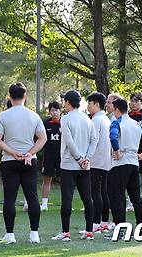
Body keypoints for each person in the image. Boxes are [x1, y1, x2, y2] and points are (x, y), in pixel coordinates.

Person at [0, 82, 46, 244]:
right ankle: (34, 234)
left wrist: (12, 152)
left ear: (10, 96)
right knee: (32, 197)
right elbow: (43, 138)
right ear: (25, 96)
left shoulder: (3, 115)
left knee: (9, 198)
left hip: (10, 161)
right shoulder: (33, 115)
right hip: (29, 161)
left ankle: (10, 235)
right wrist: (30, 152)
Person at [51, 91, 97, 242]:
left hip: (70, 164)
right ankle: (89, 231)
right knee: (87, 199)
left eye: (64, 101)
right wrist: (86, 159)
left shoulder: (66, 118)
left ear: (68, 102)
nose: (63, 103)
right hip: (85, 165)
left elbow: (69, 142)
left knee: (67, 199)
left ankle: (66, 233)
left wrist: (78, 158)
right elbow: (94, 140)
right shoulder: (87, 118)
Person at [107, 98, 142, 233]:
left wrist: (116, 152)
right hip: (134, 163)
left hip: (120, 163)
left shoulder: (117, 123)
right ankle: (141, 226)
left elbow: (113, 137)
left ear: (117, 110)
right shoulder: (136, 124)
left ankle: (120, 229)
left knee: (117, 197)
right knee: (136, 198)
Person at [87, 92, 111, 233]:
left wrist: (87, 157)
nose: (88, 106)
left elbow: (93, 141)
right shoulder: (106, 119)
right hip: (105, 161)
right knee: (103, 192)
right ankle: (104, 221)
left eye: (89, 103)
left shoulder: (96, 120)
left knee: (95, 192)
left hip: (96, 160)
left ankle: (96, 222)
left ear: (96, 104)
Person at [40, 101, 62, 211]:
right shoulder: (45, 124)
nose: (54, 113)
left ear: (60, 111)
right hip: (48, 156)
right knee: (47, 179)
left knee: (64, 179)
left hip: (62, 156)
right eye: (52, 110)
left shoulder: (65, 122)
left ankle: (66, 202)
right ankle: (44, 204)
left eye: (56, 110)